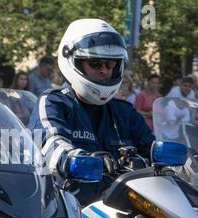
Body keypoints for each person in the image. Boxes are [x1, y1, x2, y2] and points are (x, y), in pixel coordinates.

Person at [29, 18, 155, 205]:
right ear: (74, 62)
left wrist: (177, 158)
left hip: (122, 208)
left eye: (111, 64)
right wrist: (75, 159)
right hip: (71, 208)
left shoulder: (124, 112)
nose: (104, 70)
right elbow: (49, 143)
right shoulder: (55, 102)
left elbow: (152, 148)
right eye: (95, 63)